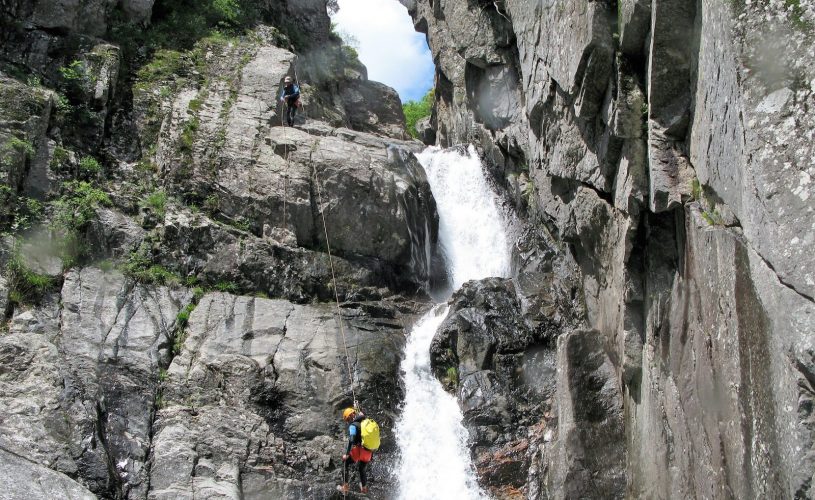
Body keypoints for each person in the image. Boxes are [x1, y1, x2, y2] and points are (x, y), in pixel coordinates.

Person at [338, 407, 372, 494]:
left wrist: (347, 454)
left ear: (349, 417)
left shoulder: (353, 425)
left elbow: (352, 439)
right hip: (368, 452)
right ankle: (364, 489)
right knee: (361, 468)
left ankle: (345, 487)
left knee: (345, 463)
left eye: (347, 419)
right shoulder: (364, 421)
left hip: (360, 450)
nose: (347, 421)